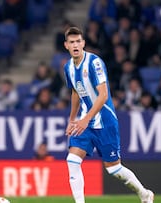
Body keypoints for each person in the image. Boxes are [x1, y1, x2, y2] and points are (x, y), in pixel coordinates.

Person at [63, 27, 154, 203]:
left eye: (78, 41)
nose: (75, 45)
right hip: (85, 122)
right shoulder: (68, 68)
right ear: (66, 45)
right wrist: (72, 119)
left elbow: (103, 95)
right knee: (72, 160)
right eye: (71, 42)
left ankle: (144, 193)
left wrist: (85, 119)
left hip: (104, 121)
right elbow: (75, 92)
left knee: (114, 169)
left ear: (83, 43)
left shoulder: (94, 62)